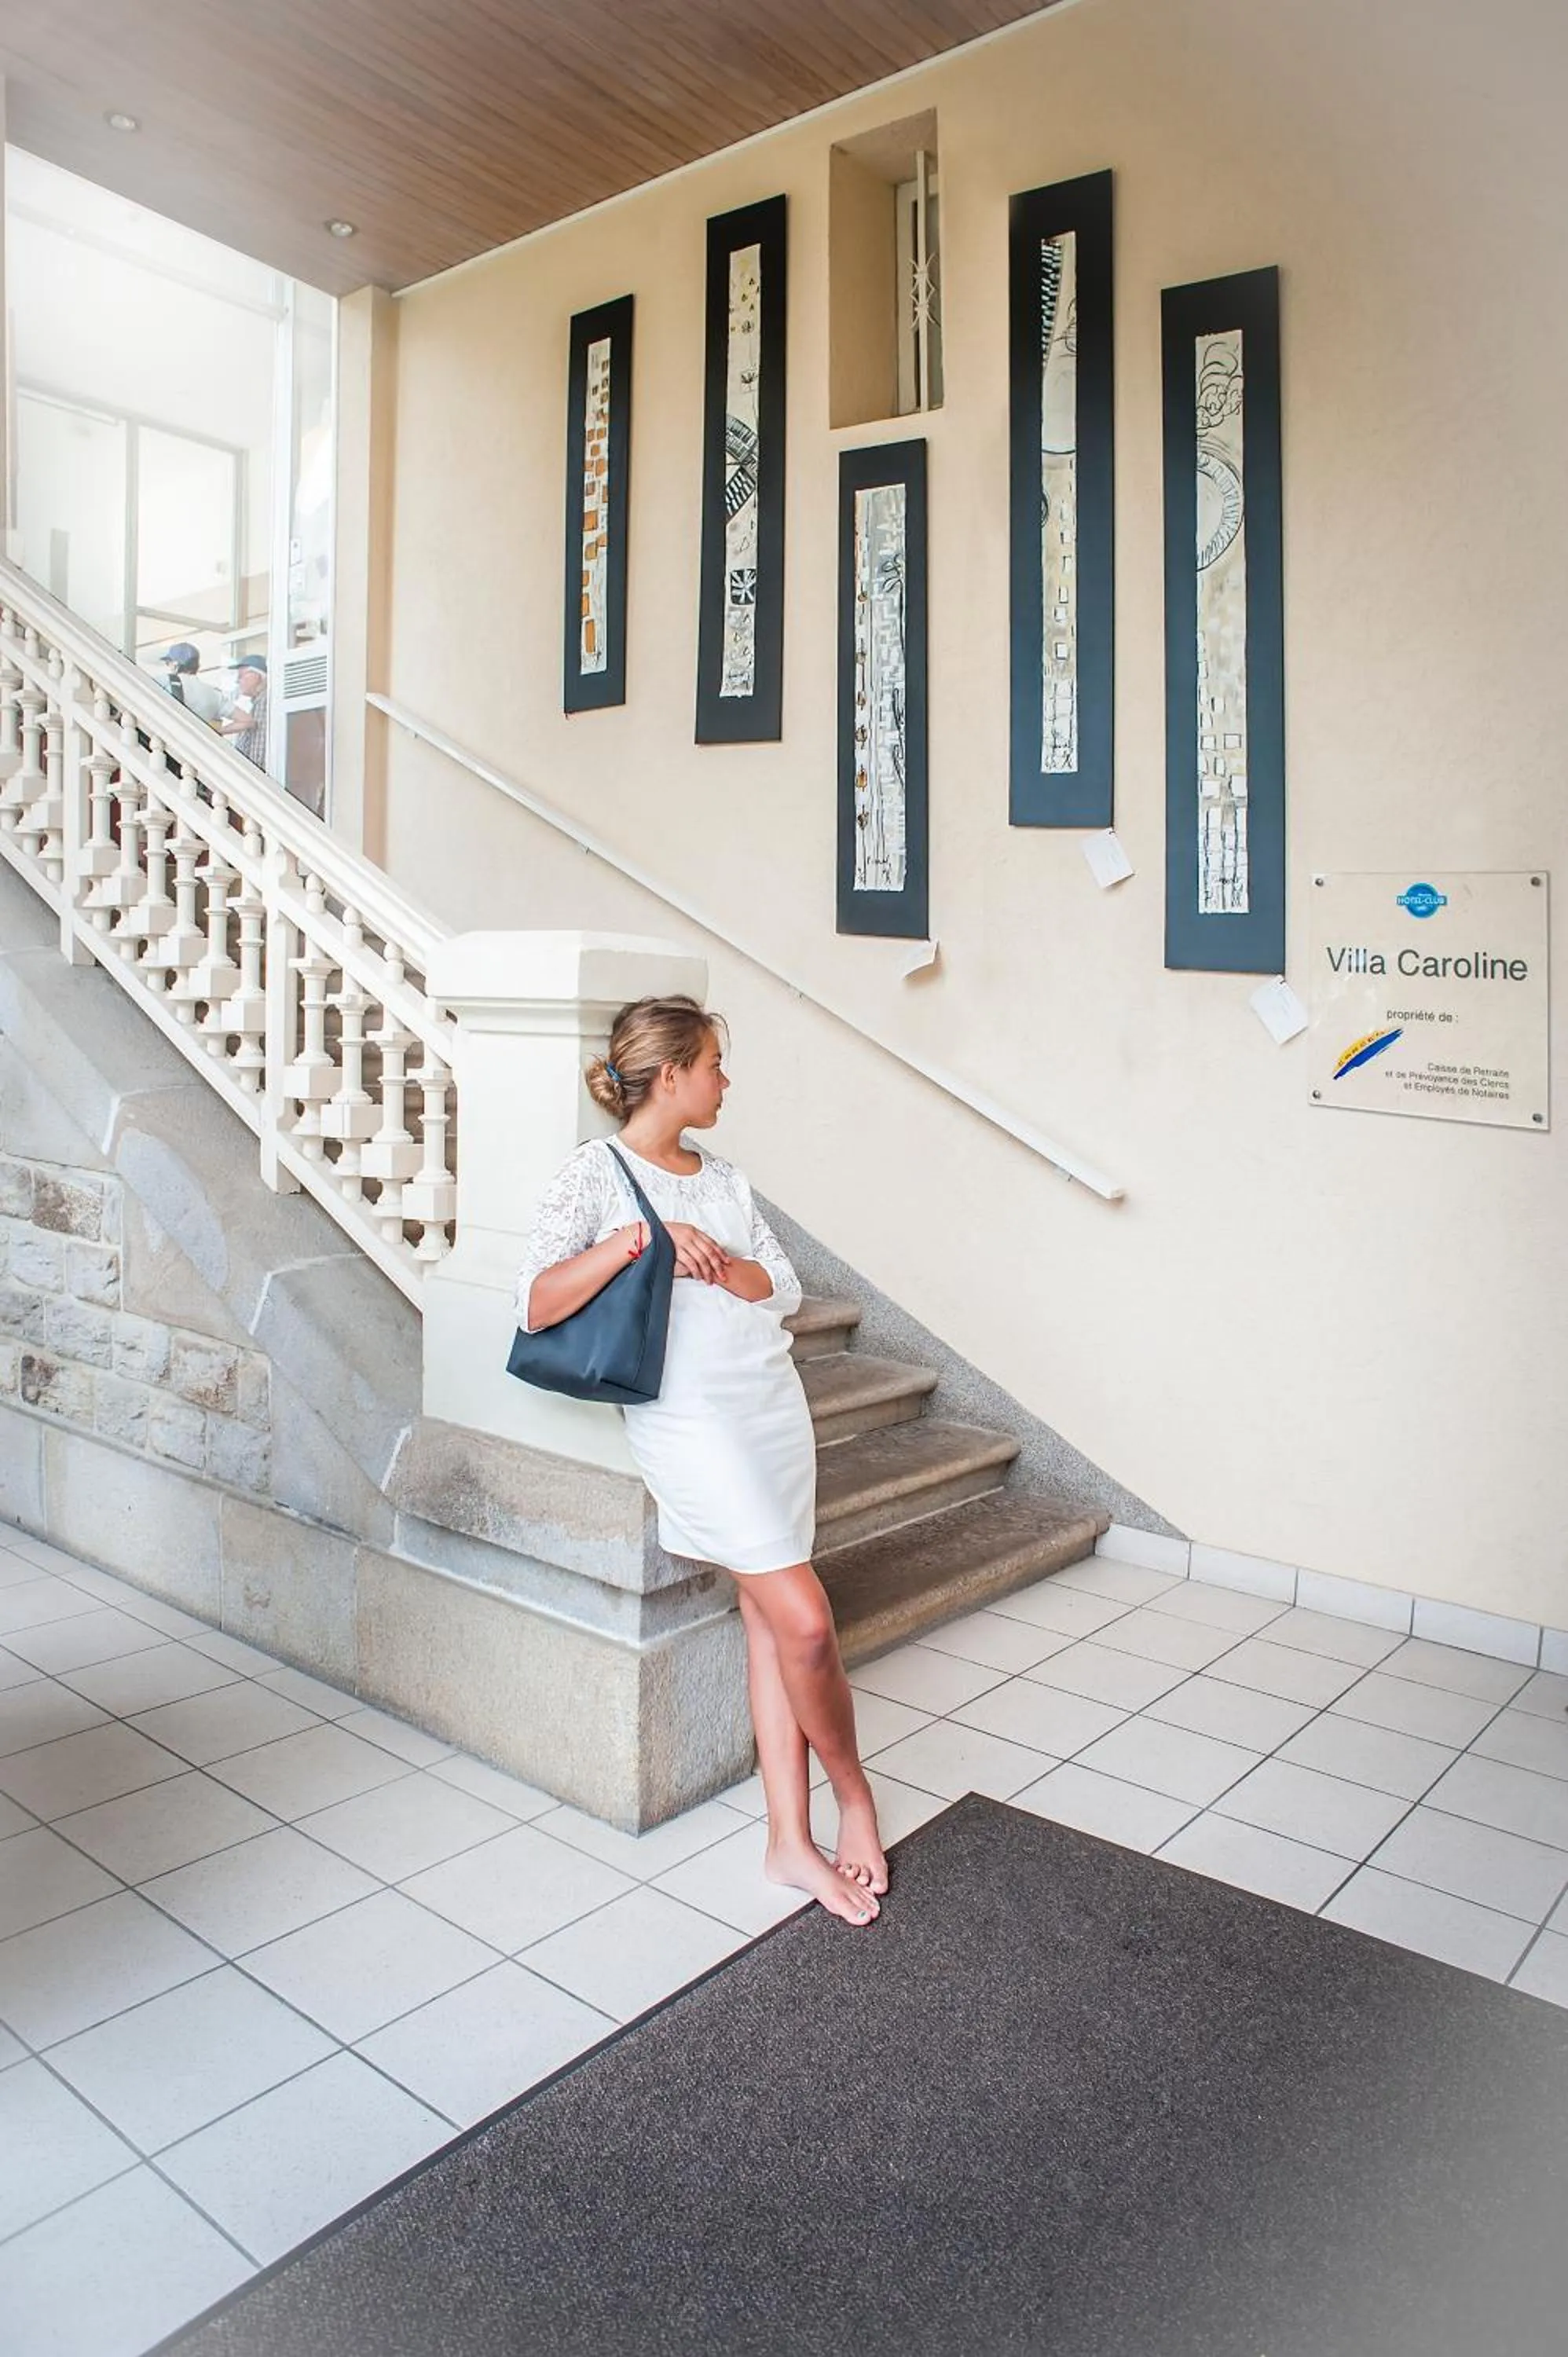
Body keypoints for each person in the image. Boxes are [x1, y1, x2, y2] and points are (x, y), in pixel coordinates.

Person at [514, 995, 889, 1927]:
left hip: (769, 1406)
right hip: (689, 1422)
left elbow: (781, 1287)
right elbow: (536, 1304)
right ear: (672, 1074)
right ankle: (855, 1797)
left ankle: (788, 1842)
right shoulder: (593, 1174)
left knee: (770, 1623)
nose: (726, 1081)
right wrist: (638, 1244)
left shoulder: (725, 1179)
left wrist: (716, 1257)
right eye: (715, 1064)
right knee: (806, 1621)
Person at [218, 653, 269, 768]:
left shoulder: (265, 702)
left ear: (256, 676)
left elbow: (258, 750)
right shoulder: (257, 703)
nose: (237, 681)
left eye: (241, 676)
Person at [158, 643, 225, 726]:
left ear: (176, 664)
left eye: (168, 663)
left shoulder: (166, 682)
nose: (168, 666)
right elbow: (217, 725)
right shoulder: (214, 693)